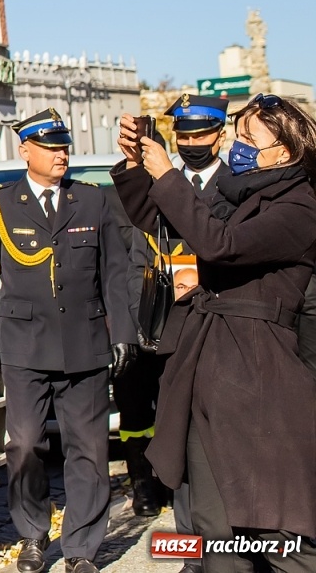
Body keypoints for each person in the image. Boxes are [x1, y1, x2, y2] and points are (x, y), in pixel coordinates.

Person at [115, 97, 316, 573]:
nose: (236, 146)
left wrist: (167, 174)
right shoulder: (245, 190)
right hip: (210, 367)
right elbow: (168, 219)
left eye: (249, 139)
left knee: (274, 524)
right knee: (215, 527)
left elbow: (218, 245)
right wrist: (138, 162)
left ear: (284, 152)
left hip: (258, 373)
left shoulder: (300, 206)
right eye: (238, 135)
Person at [0, 108, 137, 573]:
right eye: (51, 146)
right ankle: (33, 534)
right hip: (23, 344)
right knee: (23, 446)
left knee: (91, 448)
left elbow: (115, 274)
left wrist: (122, 333)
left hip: (84, 342)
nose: (63, 154)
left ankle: (81, 547)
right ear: (25, 150)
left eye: (64, 146)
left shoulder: (92, 201)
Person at [111, 93, 225, 533]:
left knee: (210, 436)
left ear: (220, 133)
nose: (192, 141)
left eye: (200, 133)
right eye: (183, 134)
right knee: (162, 427)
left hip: (217, 327)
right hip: (162, 326)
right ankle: (188, 538)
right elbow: (136, 234)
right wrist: (138, 166)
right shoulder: (158, 185)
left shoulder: (237, 185)